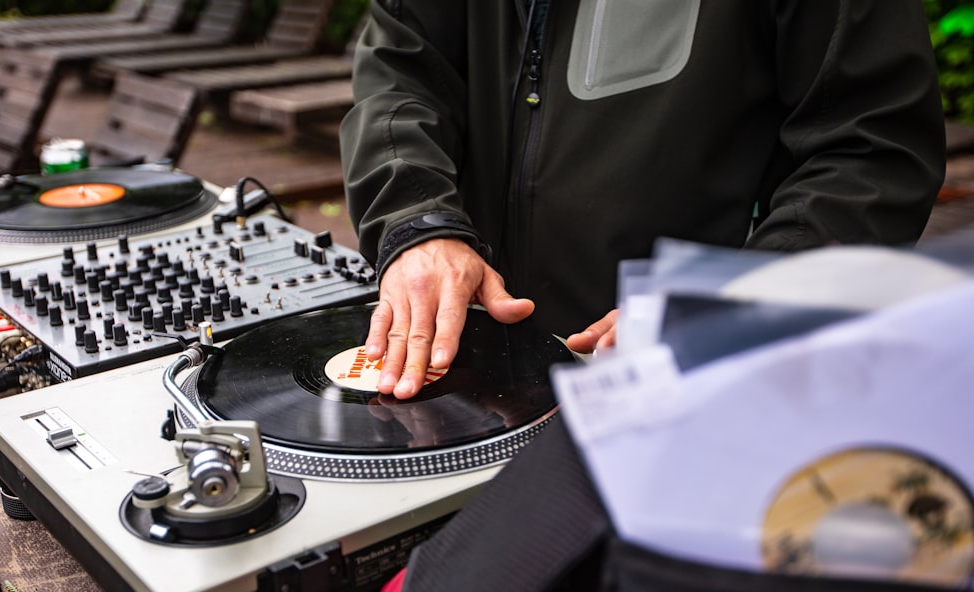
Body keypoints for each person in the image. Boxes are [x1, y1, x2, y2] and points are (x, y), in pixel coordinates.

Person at [339, 0, 946, 400]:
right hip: (475, 380)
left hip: (693, 385)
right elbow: (401, 70)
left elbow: (871, 149)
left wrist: (727, 299)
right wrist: (417, 219)